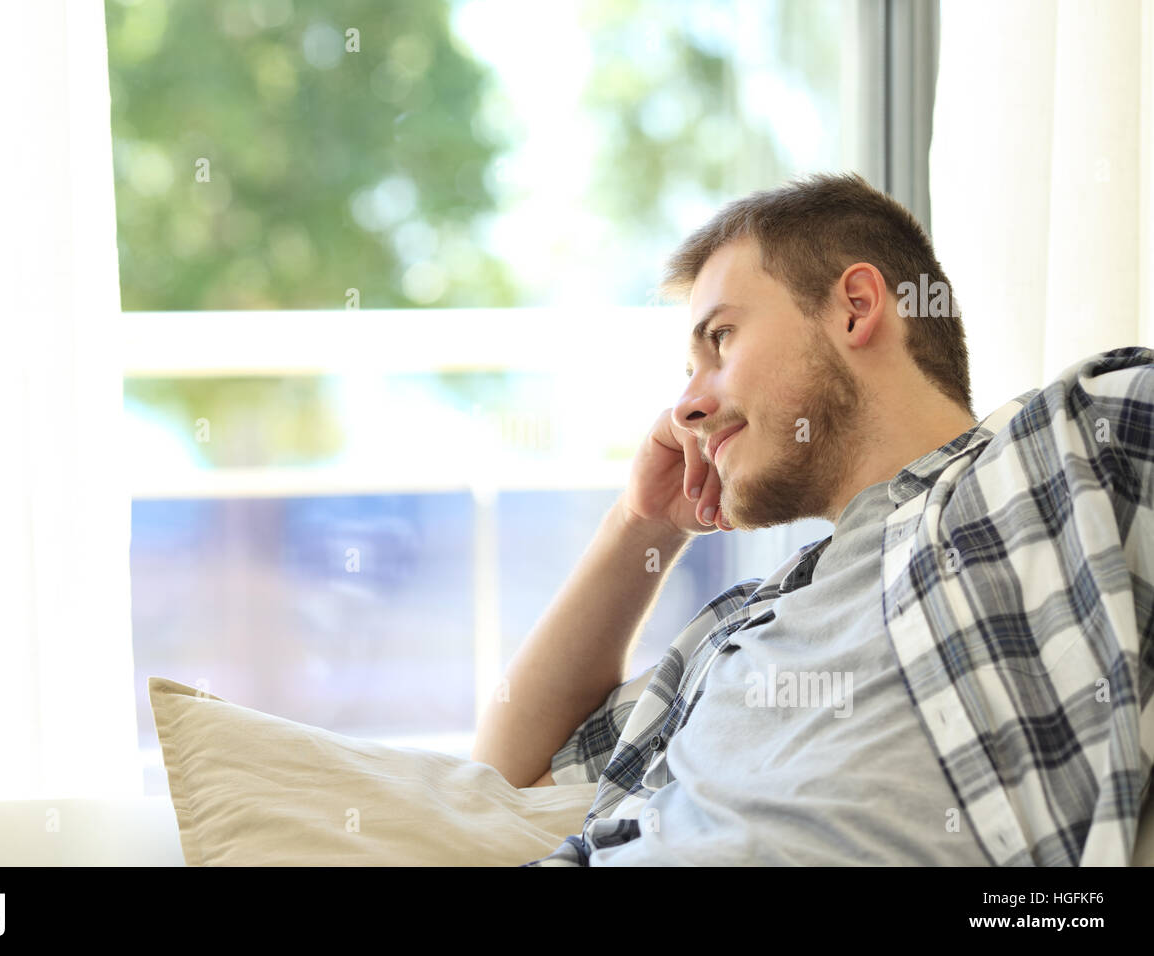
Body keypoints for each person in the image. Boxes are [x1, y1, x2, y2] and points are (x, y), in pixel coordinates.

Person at [469, 172, 1154, 866]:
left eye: (722, 339)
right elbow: (499, 782)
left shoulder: (1069, 446)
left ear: (856, 307)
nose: (684, 409)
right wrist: (639, 525)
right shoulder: (742, 629)